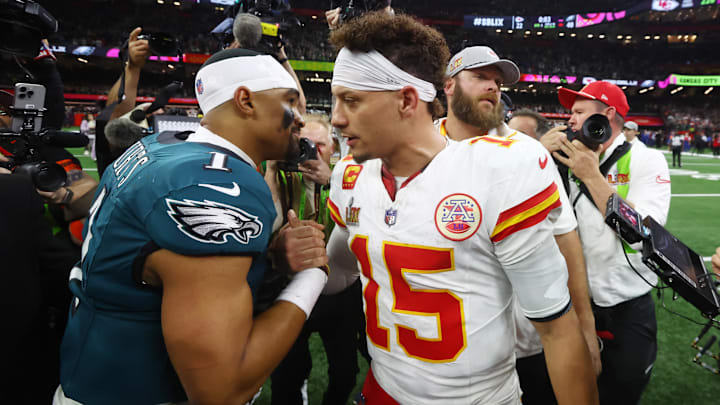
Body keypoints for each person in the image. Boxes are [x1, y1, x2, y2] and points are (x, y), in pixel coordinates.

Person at [324, 12, 598, 404]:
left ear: (406, 100)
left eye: (351, 100)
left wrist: (586, 328)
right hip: (382, 388)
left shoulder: (501, 169)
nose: (336, 117)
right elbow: (340, 270)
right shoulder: (350, 174)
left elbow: (556, 328)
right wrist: (291, 263)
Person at [54, 48, 330, 405]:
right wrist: (314, 274)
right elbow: (221, 390)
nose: (300, 120)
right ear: (245, 100)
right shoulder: (213, 186)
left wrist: (273, 255)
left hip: (93, 372)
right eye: (291, 101)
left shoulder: (161, 146)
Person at [440, 45, 600, 404]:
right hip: (450, 351)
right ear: (448, 85)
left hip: (529, 338)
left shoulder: (528, 154)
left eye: (497, 81)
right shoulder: (424, 146)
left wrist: (586, 327)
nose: (492, 87)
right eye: (480, 76)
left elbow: (566, 239)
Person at [547, 80, 671, 405]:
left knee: (621, 392)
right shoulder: (561, 157)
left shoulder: (648, 160)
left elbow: (646, 236)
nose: (569, 119)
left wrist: (591, 176)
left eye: (578, 112)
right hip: (571, 306)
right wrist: (536, 153)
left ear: (608, 115)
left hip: (627, 307)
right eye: (569, 113)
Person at [268, 115, 365, 405]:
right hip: (289, 287)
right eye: (304, 144)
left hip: (340, 289)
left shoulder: (347, 174)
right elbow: (268, 225)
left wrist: (332, 179)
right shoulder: (278, 173)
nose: (311, 150)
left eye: (319, 144)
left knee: (345, 370)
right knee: (287, 370)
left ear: (333, 147)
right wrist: (273, 168)